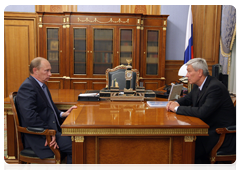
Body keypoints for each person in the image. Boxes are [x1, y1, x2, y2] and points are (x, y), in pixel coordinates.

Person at [166, 58, 237, 170]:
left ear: (199, 72)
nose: (186, 75)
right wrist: (175, 102)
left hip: (220, 134)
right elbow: (188, 99)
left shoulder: (215, 87)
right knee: (182, 143)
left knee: (186, 147)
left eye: (189, 71)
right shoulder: (199, 85)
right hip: (207, 127)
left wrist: (176, 109)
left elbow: (202, 112)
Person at [16, 57, 77, 170]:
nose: (50, 74)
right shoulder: (28, 87)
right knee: (78, 147)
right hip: (40, 137)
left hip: (52, 131)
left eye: (50, 70)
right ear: (35, 70)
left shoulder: (42, 85)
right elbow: (30, 117)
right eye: (47, 71)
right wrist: (48, 132)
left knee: (80, 138)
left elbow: (49, 109)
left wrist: (62, 114)